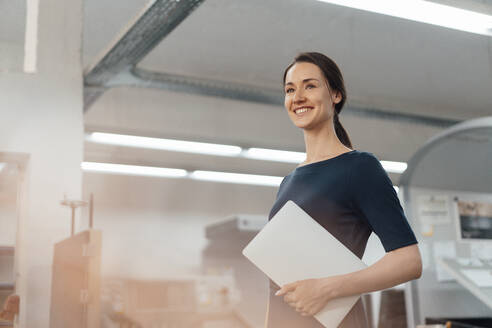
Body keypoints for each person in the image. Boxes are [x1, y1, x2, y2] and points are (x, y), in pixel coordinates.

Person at [266, 52, 422, 328]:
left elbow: (408, 261)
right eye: (290, 89)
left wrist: (327, 289)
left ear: (336, 95)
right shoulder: (289, 180)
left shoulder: (360, 168)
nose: (298, 96)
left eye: (310, 86)